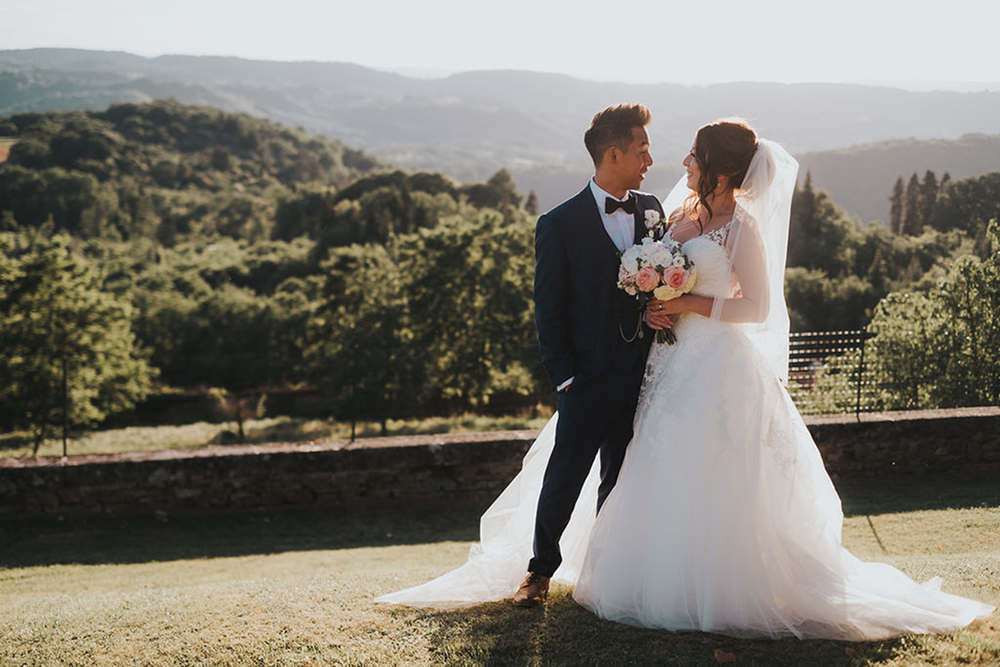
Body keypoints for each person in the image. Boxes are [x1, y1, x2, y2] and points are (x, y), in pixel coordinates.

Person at [376, 118, 995, 640]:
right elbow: (556, 305)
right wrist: (571, 370)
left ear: (719, 169)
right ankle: (544, 570)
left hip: (705, 363)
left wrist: (684, 303)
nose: (674, 160)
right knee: (588, 467)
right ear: (613, 151)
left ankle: (679, 578)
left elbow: (754, 306)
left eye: (692, 155)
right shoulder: (653, 214)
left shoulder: (717, 221)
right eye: (647, 149)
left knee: (668, 471)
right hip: (634, 368)